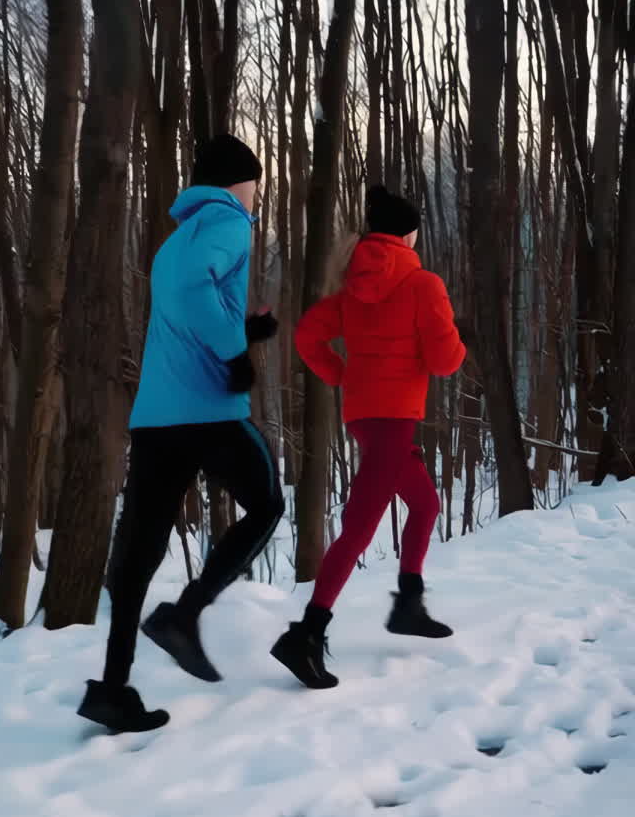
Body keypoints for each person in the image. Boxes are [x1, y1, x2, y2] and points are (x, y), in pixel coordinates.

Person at [78, 135, 284, 733]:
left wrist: (245, 332)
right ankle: (185, 614)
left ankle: (112, 688)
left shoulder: (177, 240)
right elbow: (199, 291)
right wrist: (235, 355)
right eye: (254, 184)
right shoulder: (230, 222)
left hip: (157, 417)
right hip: (207, 410)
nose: (255, 196)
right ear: (237, 184)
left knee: (139, 554)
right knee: (267, 504)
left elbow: (187, 302)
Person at [271, 185, 465, 690]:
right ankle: (306, 634)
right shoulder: (422, 284)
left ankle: (408, 602)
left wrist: (341, 374)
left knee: (425, 504)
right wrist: (455, 338)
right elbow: (445, 361)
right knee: (358, 529)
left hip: (364, 416)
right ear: (409, 234)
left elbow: (307, 336)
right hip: (395, 419)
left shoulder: (351, 287)